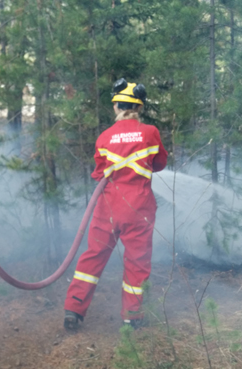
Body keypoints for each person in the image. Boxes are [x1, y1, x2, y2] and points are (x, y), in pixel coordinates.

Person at [63, 78, 168, 331]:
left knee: (93, 257)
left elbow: (100, 173)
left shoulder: (104, 136)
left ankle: (73, 309)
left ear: (116, 106)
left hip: (107, 208)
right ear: (139, 107)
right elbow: (160, 163)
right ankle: (132, 315)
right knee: (136, 262)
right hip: (139, 209)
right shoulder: (150, 133)